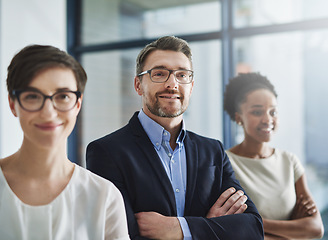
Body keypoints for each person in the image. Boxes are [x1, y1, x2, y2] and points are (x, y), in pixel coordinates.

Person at [86, 36, 264, 240]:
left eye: (182, 75)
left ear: (191, 85)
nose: (172, 84)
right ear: (138, 85)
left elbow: (252, 228)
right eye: (159, 74)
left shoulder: (212, 150)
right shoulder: (106, 152)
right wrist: (210, 226)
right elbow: (123, 236)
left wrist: (179, 228)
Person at [0, 45, 130, 240]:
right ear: (13, 104)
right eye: (33, 97)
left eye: (63, 96)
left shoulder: (104, 197)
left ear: (77, 104)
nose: (49, 113)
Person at [223, 72, 324, 240]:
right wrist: (294, 228)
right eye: (257, 112)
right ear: (238, 117)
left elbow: (315, 228)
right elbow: (229, 229)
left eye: (273, 112)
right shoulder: (225, 162)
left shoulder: (289, 161)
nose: (267, 119)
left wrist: (253, 222)